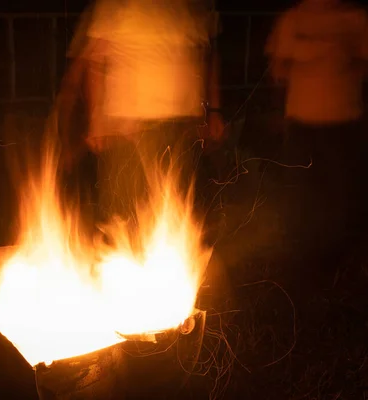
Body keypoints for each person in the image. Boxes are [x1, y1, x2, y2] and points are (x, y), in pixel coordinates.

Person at [58, 0, 224, 228]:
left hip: (180, 126)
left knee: (175, 213)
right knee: (124, 217)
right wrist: (97, 119)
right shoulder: (115, 4)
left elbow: (207, 54)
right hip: (128, 127)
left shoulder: (191, 5)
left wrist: (212, 111)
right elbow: (95, 60)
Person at [265, 0, 368, 256]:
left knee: (339, 194)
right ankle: (302, 254)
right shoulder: (294, 19)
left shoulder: (354, 19)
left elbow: (364, 63)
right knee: (302, 193)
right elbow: (277, 67)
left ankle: (336, 257)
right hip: (302, 123)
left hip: (343, 122)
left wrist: (343, 61)